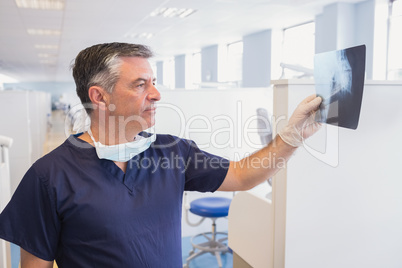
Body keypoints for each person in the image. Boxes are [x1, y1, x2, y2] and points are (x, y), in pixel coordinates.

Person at [0, 42, 322, 267]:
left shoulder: (172, 152)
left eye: (153, 82)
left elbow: (240, 175)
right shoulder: (49, 176)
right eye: (140, 84)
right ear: (99, 97)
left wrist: (290, 138)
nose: (156, 94)